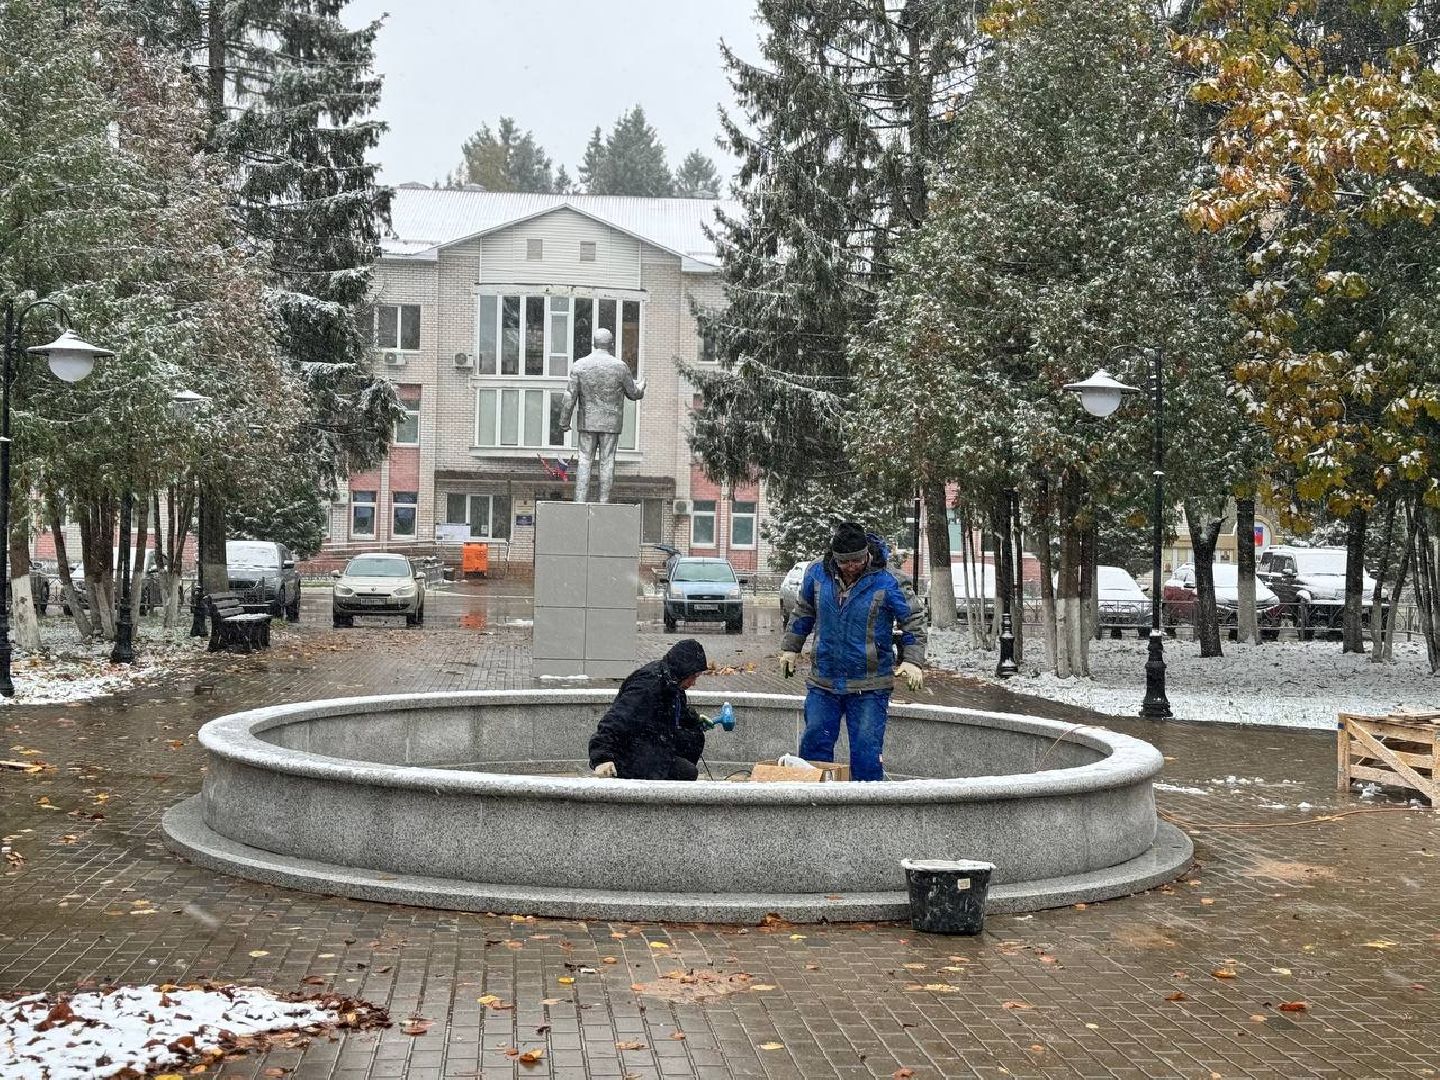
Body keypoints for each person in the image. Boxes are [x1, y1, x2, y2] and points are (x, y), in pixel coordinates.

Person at [779, 521, 927, 781]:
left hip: (869, 685)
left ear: (867, 553)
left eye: (857, 560)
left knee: (866, 753)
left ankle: (866, 808)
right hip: (824, 681)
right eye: (845, 562)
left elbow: (913, 619)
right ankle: (812, 806)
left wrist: (913, 660)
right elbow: (804, 611)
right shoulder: (816, 573)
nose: (852, 567)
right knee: (814, 748)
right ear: (835, 558)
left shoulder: (889, 580)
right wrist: (791, 648)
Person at [589, 639, 709, 780]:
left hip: (652, 743)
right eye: (693, 676)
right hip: (629, 752)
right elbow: (616, 720)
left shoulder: (672, 682)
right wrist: (603, 758)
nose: (693, 683)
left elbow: (677, 711)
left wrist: (695, 720)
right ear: (683, 669)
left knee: (693, 737)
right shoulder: (648, 684)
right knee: (687, 771)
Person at [558, 327, 645, 504]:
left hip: (588, 422)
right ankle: (603, 502)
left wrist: (564, 422)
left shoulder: (580, 365)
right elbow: (633, 393)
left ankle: (580, 501)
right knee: (607, 461)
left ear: (594, 343)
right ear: (611, 344)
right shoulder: (620, 367)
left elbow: (569, 396)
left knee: (584, 460)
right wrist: (641, 387)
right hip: (611, 424)